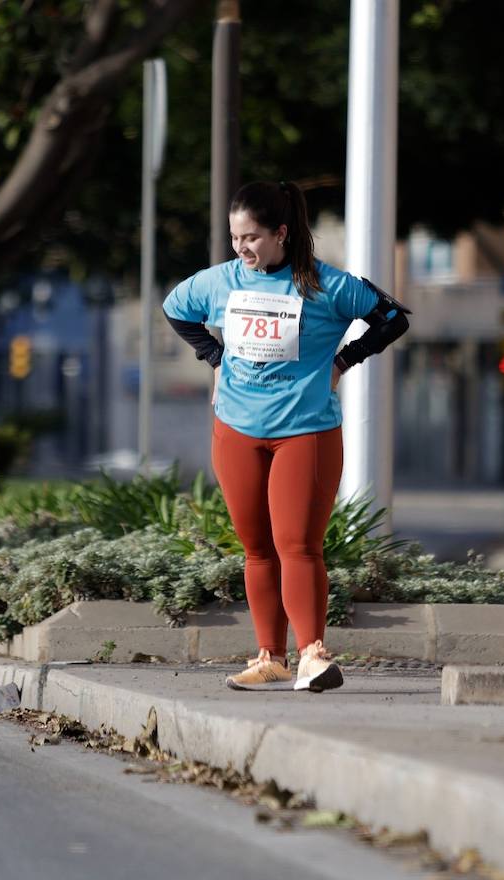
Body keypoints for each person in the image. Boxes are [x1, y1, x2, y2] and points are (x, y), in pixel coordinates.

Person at [162, 180, 409, 692]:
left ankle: (313, 655)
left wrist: (343, 361)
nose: (241, 248)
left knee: (297, 544)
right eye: (234, 238)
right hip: (236, 430)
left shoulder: (327, 286)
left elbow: (390, 319)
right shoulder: (219, 282)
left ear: (281, 233)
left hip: (306, 431)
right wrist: (214, 357)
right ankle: (269, 657)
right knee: (256, 549)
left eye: (251, 237)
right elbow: (175, 309)